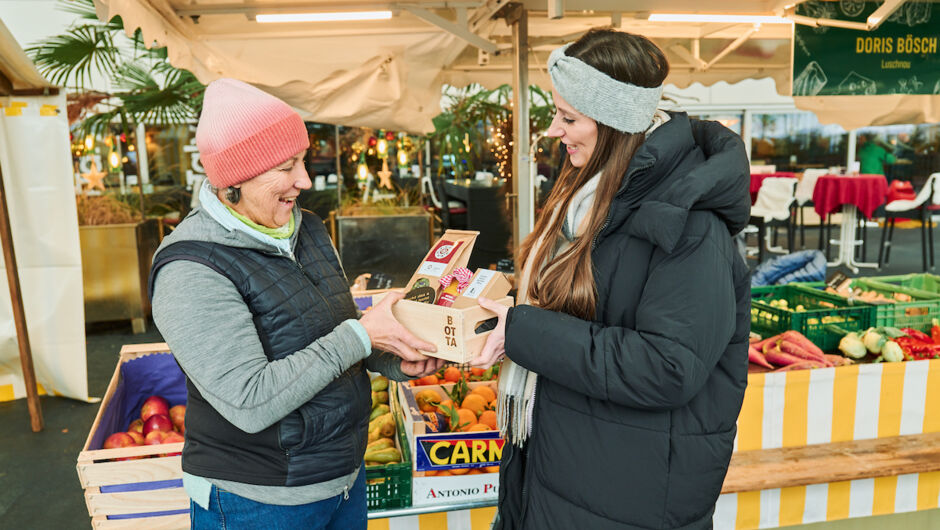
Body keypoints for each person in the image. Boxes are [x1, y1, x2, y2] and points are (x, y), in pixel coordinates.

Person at [472, 29, 751, 529]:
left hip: (627, 496)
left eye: (569, 117)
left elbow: (668, 366)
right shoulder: (592, 201)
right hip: (567, 471)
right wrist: (496, 310)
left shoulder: (691, 224)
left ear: (615, 121)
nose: (555, 131)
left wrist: (524, 331)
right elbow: (587, 306)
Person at [149, 78, 443, 529]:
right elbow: (249, 401)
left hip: (342, 481)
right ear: (234, 181)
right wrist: (363, 334)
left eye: (302, 161)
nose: (304, 181)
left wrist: (392, 357)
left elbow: (328, 333)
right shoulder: (190, 268)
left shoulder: (307, 229)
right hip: (258, 503)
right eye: (287, 167)